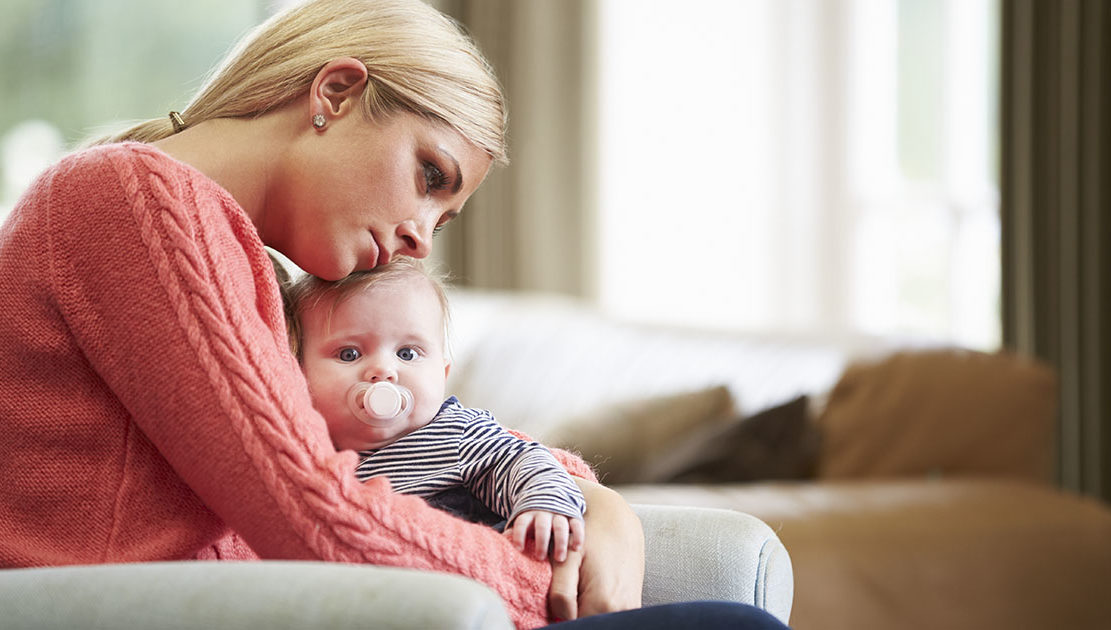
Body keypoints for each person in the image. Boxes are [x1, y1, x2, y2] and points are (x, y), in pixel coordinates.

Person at [0, 0, 790, 627]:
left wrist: (588, 500)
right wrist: (544, 574)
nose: (419, 236)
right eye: (429, 174)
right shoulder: (129, 202)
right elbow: (316, 518)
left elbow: (421, 437)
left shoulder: (237, 260)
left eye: (443, 219)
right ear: (336, 93)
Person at [283, 257, 585, 561]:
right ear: (299, 371)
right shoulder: (307, 451)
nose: (383, 370)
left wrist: (542, 503)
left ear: (442, 374)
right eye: (349, 354)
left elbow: (522, 459)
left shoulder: (457, 433)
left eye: (407, 353)